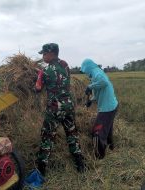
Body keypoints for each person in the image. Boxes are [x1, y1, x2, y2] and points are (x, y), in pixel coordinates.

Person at [35, 43, 85, 175]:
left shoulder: (46, 71)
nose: (43, 56)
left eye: (44, 54)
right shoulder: (65, 65)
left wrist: (39, 76)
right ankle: (80, 165)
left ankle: (41, 170)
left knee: (47, 137)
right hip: (68, 106)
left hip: (54, 108)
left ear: (51, 54)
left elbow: (37, 89)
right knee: (72, 134)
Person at [80, 58, 118, 159]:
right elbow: (98, 91)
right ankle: (111, 147)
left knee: (97, 132)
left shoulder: (96, 72)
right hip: (111, 106)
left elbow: (104, 82)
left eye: (84, 70)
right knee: (107, 128)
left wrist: (90, 86)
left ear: (88, 68)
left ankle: (99, 156)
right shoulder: (95, 74)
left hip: (107, 108)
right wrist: (91, 100)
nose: (85, 73)